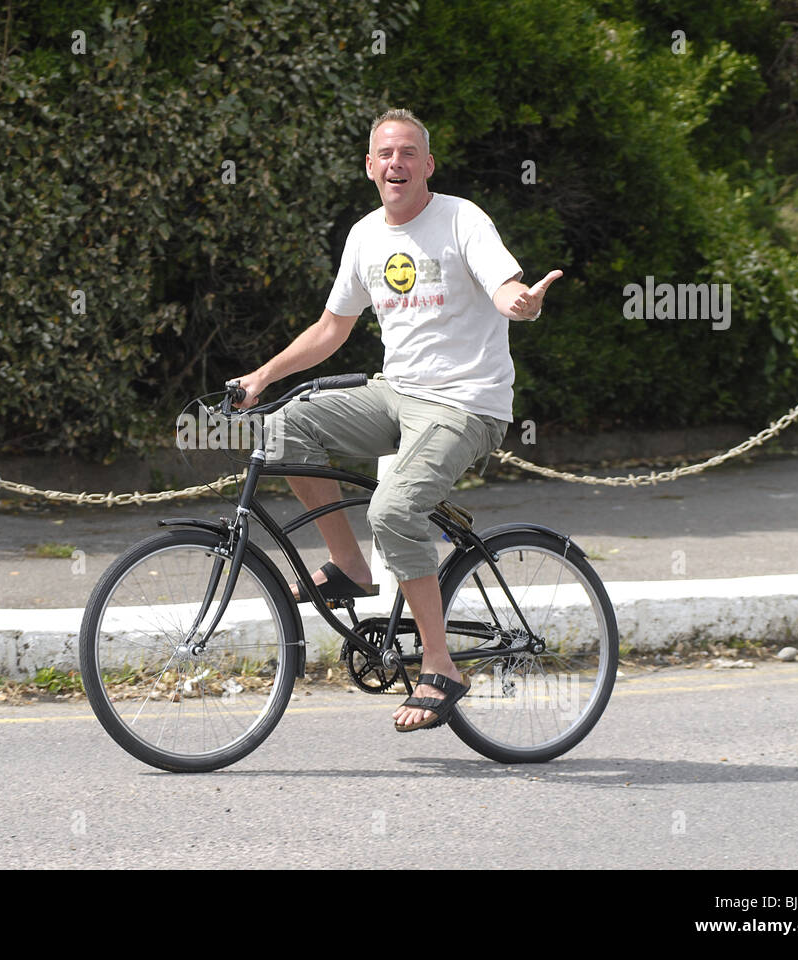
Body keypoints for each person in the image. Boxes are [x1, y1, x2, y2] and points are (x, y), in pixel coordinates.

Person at [231, 108, 562, 732]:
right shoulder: (365, 236)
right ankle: (351, 569)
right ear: (369, 166)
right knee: (286, 427)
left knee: (392, 511)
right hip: (395, 395)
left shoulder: (462, 219)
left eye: (409, 153)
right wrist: (264, 376)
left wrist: (520, 304)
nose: (396, 163)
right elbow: (332, 329)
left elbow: (502, 286)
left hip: (466, 404)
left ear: (427, 165)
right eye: (386, 154)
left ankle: (441, 665)